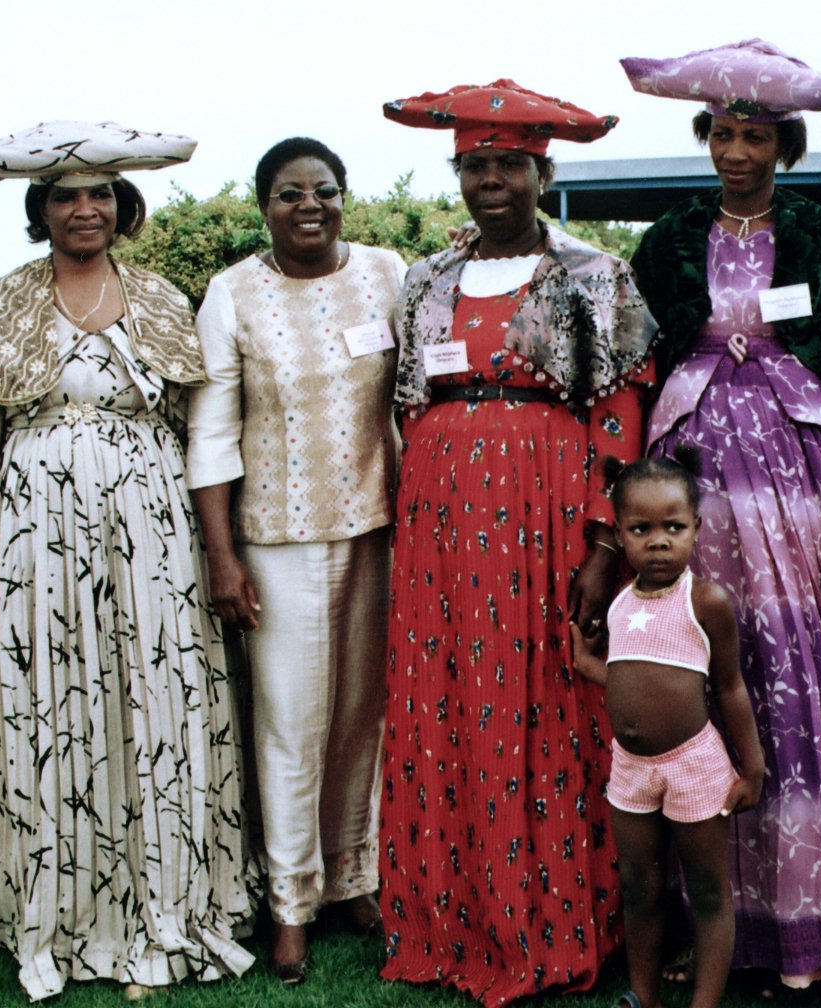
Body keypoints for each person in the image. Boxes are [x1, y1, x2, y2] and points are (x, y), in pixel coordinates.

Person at [0, 121, 257, 1002]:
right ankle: (64, 914)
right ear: (41, 209)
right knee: (55, 702)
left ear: (121, 205)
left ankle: (164, 899)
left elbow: (204, 432)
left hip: (149, 531)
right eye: (66, 195)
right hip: (37, 536)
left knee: (153, 698)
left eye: (99, 193)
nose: (84, 209)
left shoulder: (159, 301)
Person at [621, 40, 821, 992]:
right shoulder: (670, 240)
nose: (735, 150)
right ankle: (716, 913)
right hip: (700, 495)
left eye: (754, 134)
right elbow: (640, 377)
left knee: (807, 676)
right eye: (720, 131)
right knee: (712, 669)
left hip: (799, 501)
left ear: (784, 141)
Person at [378, 80, 659, 1005]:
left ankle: (555, 919)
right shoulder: (425, 278)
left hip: (544, 510)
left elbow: (619, 412)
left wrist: (601, 543)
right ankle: (452, 918)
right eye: (474, 166)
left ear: (542, 172)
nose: (490, 180)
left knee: (546, 690)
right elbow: (404, 401)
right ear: (457, 174)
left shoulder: (591, 274)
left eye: (508, 165)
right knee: (448, 693)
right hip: (439, 519)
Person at [186, 137, 406, 985]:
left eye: (323, 190)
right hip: (274, 536)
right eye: (287, 194)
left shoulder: (388, 273)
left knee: (364, 714)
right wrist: (222, 554)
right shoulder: (233, 292)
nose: (307, 206)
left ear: (345, 197)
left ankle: (355, 877)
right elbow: (209, 433)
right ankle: (287, 904)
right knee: (290, 721)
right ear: (264, 206)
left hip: (378, 528)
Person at [571, 451, 764, 1008]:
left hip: (694, 767)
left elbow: (729, 689)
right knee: (640, 888)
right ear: (621, 533)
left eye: (673, 528)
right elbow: (626, 673)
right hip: (631, 771)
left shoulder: (705, 602)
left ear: (696, 529)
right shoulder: (619, 605)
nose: (658, 542)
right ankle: (643, 997)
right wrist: (587, 663)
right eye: (641, 529)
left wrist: (752, 768)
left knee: (706, 890)